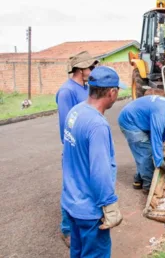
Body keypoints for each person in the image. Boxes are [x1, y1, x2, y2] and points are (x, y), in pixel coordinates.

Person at [61, 66, 126, 257]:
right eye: (117, 91)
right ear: (111, 92)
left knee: (78, 251)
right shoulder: (97, 125)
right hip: (90, 210)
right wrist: (109, 205)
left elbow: (67, 156)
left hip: (72, 203)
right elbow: (100, 171)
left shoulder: (76, 111)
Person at [55, 51, 98, 248]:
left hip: (87, 146)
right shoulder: (67, 92)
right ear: (81, 70)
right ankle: (67, 229)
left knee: (85, 185)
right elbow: (67, 125)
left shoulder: (86, 88)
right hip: (74, 148)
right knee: (71, 186)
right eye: (91, 67)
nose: (93, 70)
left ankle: (83, 222)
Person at [118, 94, 165, 194]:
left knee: (145, 151)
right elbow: (156, 136)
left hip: (138, 118)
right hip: (130, 122)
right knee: (146, 153)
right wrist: (159, 161)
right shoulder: (161, 112)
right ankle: (148, 186)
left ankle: (138, 179)